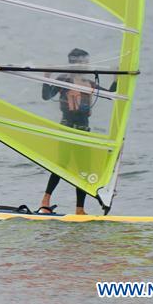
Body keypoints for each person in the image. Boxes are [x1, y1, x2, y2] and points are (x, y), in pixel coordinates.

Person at [39, 48, 116, 215]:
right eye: (83, 62)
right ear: (74, 63)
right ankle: (45, 202)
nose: (86, 65)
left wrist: (118, 78)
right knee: (62, 165)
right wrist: (46, 76)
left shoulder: (90, 84)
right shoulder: (64, 80)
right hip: (67, 128)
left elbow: (111, 95)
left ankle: (79, 209)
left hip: (84, 132)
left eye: (86, 61)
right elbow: (46, 96)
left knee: (84, 170)